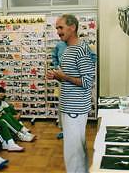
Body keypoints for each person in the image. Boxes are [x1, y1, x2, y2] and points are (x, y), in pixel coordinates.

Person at [46, 14, 95, 173]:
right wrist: (58, 77)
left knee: (73, 153)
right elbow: (69, 79)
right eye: (57, 28)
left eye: (60, 27)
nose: (58, 32)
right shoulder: (67, 50)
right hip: (69, 108)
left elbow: (88, 81)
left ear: (72, 27)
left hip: (75, 109)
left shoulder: (81, 50)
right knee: (76, 150)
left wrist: (64, 76)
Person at [52, 40, 97, 140]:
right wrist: (57, 68)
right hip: (64, 82)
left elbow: (93, 57)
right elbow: (54, 56)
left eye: (61, 28)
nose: (59, 32)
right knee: (63, 108)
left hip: (77, 87)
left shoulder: (82, 46)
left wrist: (82, 67)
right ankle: (64, 130)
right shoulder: (59, 45)